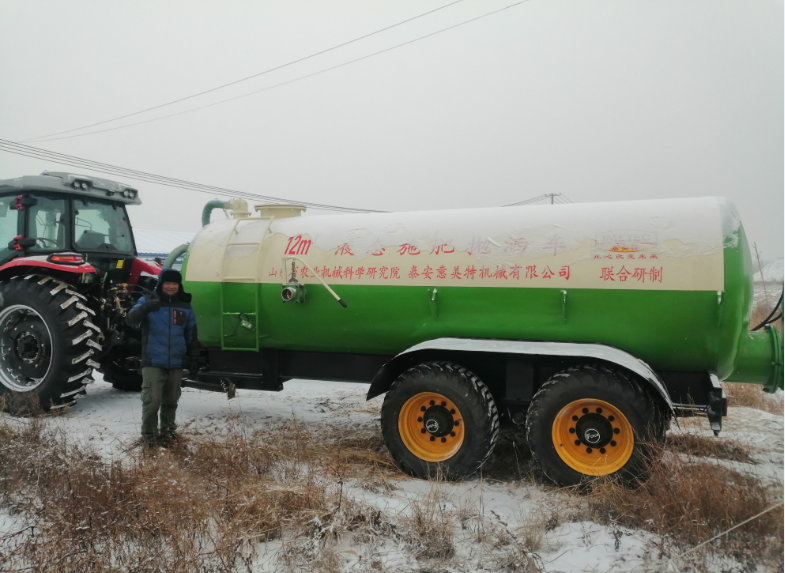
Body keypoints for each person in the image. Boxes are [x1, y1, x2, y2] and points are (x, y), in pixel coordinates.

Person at [126, 268, 199, 447]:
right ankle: (149, 439)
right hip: (153, 360)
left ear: (179, 285)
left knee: (170, 402)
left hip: (176, 362)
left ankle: (167, 435)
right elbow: (130, 319)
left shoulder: (185, 306)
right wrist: (145, 308)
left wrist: (194, 357)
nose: (171, 286)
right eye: (167, 283)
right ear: (161, 284)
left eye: (174, 283)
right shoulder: (148, 301)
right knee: (152, 402)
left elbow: (191, 334)